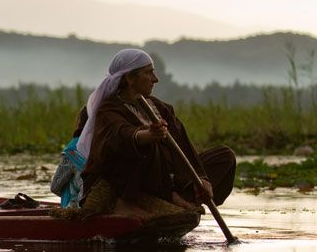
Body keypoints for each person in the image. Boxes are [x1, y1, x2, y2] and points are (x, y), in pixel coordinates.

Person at [78, 48, 235, 219]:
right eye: (149, 73)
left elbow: (183, 146)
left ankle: (180, 196)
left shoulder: (161, 108)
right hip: (127, 183)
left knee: (225, 156)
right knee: (145, 145)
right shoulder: (109, 109)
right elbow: (121, 134)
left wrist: (201, 178)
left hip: (165, 181)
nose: (155, 79)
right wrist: (146, 135)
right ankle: (128, 203)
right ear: (130, 78)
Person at [50, 106, 88, 208]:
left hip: (79, 210)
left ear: (80, 123)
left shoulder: (72, 151)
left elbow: (55, 187)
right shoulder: (104, 145)